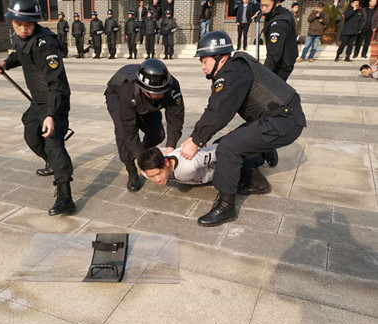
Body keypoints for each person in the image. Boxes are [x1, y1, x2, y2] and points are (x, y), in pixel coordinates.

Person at [179, 31, 305, 227]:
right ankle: (263, 157)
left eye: (205, 61)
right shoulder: (235, 65)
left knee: (227, 148)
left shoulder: (233, 72)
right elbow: (216, 105)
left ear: (220, 58)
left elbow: (218, 112)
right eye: (200, 62)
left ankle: (226, 206)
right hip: (279, 117)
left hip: (283, 121)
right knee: (224, 142)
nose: (202, 66)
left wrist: (196, 141)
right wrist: (198, 136)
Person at [0, 0, 75, 216]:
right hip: (37, 101)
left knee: (54, 144)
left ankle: (65, 197)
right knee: (31, 135)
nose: (22, 29)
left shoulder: (45, 44)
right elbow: (19, 55)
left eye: (27, 25)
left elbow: (57, 84)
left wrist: (51, 115)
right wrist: (5, 64)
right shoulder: (20, 38)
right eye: (17, 24)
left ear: (35, 22)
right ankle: (51, 162)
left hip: (54, 102)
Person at [104, 59, 185, 192]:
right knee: (123, 135)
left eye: (162, 92)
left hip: (144, 100)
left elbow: (176, 118)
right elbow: (129, 130)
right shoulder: (128, 90)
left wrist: (171, 145)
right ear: (143, 89)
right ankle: (132, 170)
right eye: (155, 93)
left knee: (157, 134)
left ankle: (142, 153)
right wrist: (138, 158)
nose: (160, 95)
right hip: (117, 95)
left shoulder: (171, 86)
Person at [138, 145, 276, 186]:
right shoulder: (152, 167)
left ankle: (263, 151)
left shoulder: (189, 164)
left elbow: (223, 150)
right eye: (151, 177)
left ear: (166, 163)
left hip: (215, 165)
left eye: (157, 174)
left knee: (243, 164)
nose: (156, 179)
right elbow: (143, 169)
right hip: (202, 168)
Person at [258, 0, 298, 81]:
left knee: (272, 90)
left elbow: (274, 53)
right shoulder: (281, 12)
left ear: (277, 3)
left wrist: (262, 74)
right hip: (283, 59)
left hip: (282, 64)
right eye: (261, 6)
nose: (264, 9)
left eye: (266, 6)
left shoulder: (279, 24)